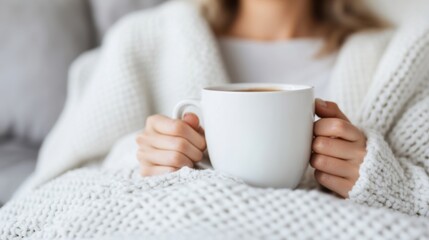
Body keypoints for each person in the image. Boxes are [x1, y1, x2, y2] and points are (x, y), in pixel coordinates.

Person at [137, 0, 383, 198]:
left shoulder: (394, 51)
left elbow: (419, 190)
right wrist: (146, 158)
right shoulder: (149, 35)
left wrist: (377, 175)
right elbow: (99, 157)